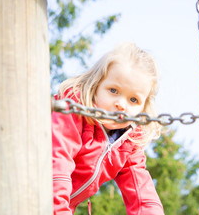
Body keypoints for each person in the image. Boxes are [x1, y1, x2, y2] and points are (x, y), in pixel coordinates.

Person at [51, 42, 164, 215]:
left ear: (143, 108)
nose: (121, 104)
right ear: (96, 85)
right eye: (113, 90)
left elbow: (143, 195)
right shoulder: (73, 112)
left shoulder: (128, 143)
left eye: (133, 100)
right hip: (33, 190)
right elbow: (57, 163)